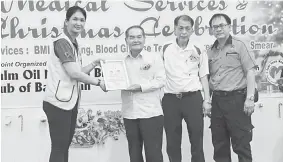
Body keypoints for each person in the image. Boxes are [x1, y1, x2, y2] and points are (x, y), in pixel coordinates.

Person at [43, 6, 106, 162]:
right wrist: (99, 82)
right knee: (59, 147)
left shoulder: (73, 43)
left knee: (64, 146)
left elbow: (77, 71)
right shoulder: (62, 42)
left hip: (69, 103)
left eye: (82, 20)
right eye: (75, 19)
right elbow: (74, 73)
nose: (78, 23)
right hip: (58, 104)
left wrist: (93, 64)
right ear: (66, 21)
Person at [207, 13, 256, 162]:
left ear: (229, 26)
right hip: (217, 101)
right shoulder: (210, 50)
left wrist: (250, 98)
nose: (218, 29)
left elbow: (250, 71)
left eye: (221, 25)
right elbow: (209, 78)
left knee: (241, 144)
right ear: (211, 30)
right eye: (215, 26)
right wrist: (207, 101)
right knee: (219, 146)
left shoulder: (240, 45)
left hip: (237, 100)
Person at [162, 15, 211, 162]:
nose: (184, 31)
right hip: (170, 100)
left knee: (197, 140)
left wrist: (207, 100)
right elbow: (159, 75)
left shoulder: (198, 49)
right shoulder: (165, 49)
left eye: (187, 28)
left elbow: (203, 76)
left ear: (192, 30)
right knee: (172, 142)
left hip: (193, 99)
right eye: (180, 28)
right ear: (174, 30)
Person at [121, 25, 166, 162]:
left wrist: (140, 87)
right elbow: (115, 81)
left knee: (154, 155)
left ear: (144, 39)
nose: (136, 40)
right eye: (132, 37)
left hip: (151, 113)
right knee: (134, 155)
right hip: (130, 114)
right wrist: (106, 84)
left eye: (139, 37)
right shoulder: (121, 62)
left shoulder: (154, 58)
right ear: (126, 40)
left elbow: (161, 80)